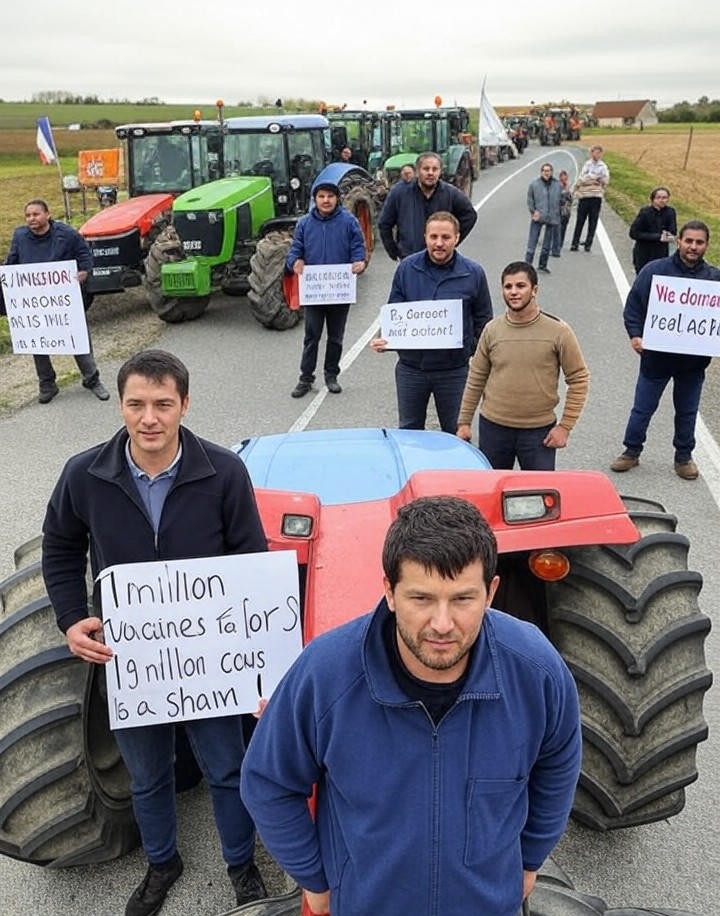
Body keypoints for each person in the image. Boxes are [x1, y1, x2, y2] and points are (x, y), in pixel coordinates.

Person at [241, 495, 582, 916]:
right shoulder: (325, 674)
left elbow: (559, 763)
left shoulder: (536, 671)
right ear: (389, 590)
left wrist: (530, 860)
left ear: (491, 593)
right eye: (421, 599)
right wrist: (314, 879)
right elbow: (268, 781)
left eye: (462, 599)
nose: (442, 624)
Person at [41, 350, 269, 916]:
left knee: (227, 767)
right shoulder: (84, 474)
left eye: (163, 404)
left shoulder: (224, 472)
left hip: (209, 661)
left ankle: (240, 864)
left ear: (184, 406)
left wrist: (258, 660)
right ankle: (162, 862)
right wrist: (71, 617)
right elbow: (60, 547)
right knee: (147, 776)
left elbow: (251, 562)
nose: (149, 418)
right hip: (131, 659)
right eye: (137, 404)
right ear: (120, 405)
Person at [610, 221, 720, 480]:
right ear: (678, 241)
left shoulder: (714, 279)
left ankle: (683, 457)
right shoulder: (655, 271)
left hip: (693, 363)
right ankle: (631, 451)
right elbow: (634, 306)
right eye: (689, 241)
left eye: (699, 242)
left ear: (706, 245)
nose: (693, 246)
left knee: (687, 410)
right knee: (642, 408)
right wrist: (635, 336)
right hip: (656, 359)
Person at [456, 261, 589, 470]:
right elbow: (476, 378)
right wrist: (464, 423)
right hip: (493, 429)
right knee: (493, 493)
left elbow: (579, 379)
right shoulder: (492, 330)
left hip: (538, 433)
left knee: (539, 497)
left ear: (534, 290)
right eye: (508, 287)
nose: (514, 292)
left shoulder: (559, 331)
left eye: (520, 286)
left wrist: (565, 427)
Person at [371, 211, 493, 432]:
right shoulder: (407, 269)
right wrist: (386, 340)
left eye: (446, 238)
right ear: (425, 237)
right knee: (409, 432)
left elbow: (484, 322)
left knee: (457, 433)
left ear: (457, 238)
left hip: (454, 371)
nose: (439, 243)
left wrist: (466, 349)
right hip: (412, 370)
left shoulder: (473, 273)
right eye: (433, 237)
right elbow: (395, 314)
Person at [5, 198, 109, 404]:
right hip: (34, 302)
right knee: (38, 341)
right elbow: (12, 263)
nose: (31, 219)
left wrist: (82, 274)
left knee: (77, 337)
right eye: (28, 215)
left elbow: (85, 258)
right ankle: (47, 384)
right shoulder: (20, 236)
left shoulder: (68, 234)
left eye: (35, 214)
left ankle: (92, 379)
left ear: (47, 215)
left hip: (65, 299)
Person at [288, 181, 366, 398]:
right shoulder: (304, 223)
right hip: (315, 291)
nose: (326, 200)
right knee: (312, 335)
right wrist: (295, 261)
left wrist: (359, 261)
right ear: (315, 199)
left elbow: (358, 247)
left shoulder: (348, 221)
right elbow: (295, 249)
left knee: (336, 337)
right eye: (321, 196)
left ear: (337, 199)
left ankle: (331, 375)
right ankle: (306, 377)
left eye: (330, 196)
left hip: (339, 292)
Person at [378, 152, 477, 260]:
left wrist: (451, 241)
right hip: (411, 258)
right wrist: (393, 251)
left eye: (435, 169)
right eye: (426, 169)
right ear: (417, 171)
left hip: (440, 260)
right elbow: (384, 224)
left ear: (440, 172)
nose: (430, 173)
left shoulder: (450, 193)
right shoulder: (399, 193)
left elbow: (470, 215)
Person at [569, 145, 609, 253]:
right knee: (580, 221)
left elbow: (605, 180)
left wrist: (590, 178)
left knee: (593, 221)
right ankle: (574, 243)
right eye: (595, 152)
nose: (597, 155)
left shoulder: (603, 166)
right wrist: (594, 179)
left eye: (599, 153)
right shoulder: (587, 164)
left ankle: (588, 243)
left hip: (596, 197)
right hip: (584, 196)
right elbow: (581, 179)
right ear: (591, 153)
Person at [629, 187, 677, 273]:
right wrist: (657, 237)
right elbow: (633, 233)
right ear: (653, 199)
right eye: (658, 198)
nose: (662, 200)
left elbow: (673, 230)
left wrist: (669, 235)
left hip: (661, 253)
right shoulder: (645, 212)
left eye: (664, 198)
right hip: (644, 252)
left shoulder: (670, 212)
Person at [524, 163, 561, 274]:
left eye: (549, 170)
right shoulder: (534, 184)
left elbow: (561, 199)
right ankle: (528, 265)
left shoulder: (557, 185)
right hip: (538, 216)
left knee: (547, 244)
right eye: (544, 170)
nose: (546, 172)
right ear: (541, 172)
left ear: (551, 172)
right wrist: (533, 211)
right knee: (532, 242)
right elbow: (530, 199)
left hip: (552, 217)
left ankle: (542, 264)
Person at [552, 169, 573, 256]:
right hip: (558, 210)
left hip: (566, 211)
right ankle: (555, 244)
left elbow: (571, 199)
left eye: (565, 178)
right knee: (556, 228)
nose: (564, 180)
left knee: (563, 228)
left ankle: (559, 244)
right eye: (562, 178)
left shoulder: (568, 188)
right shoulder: (556, 187)